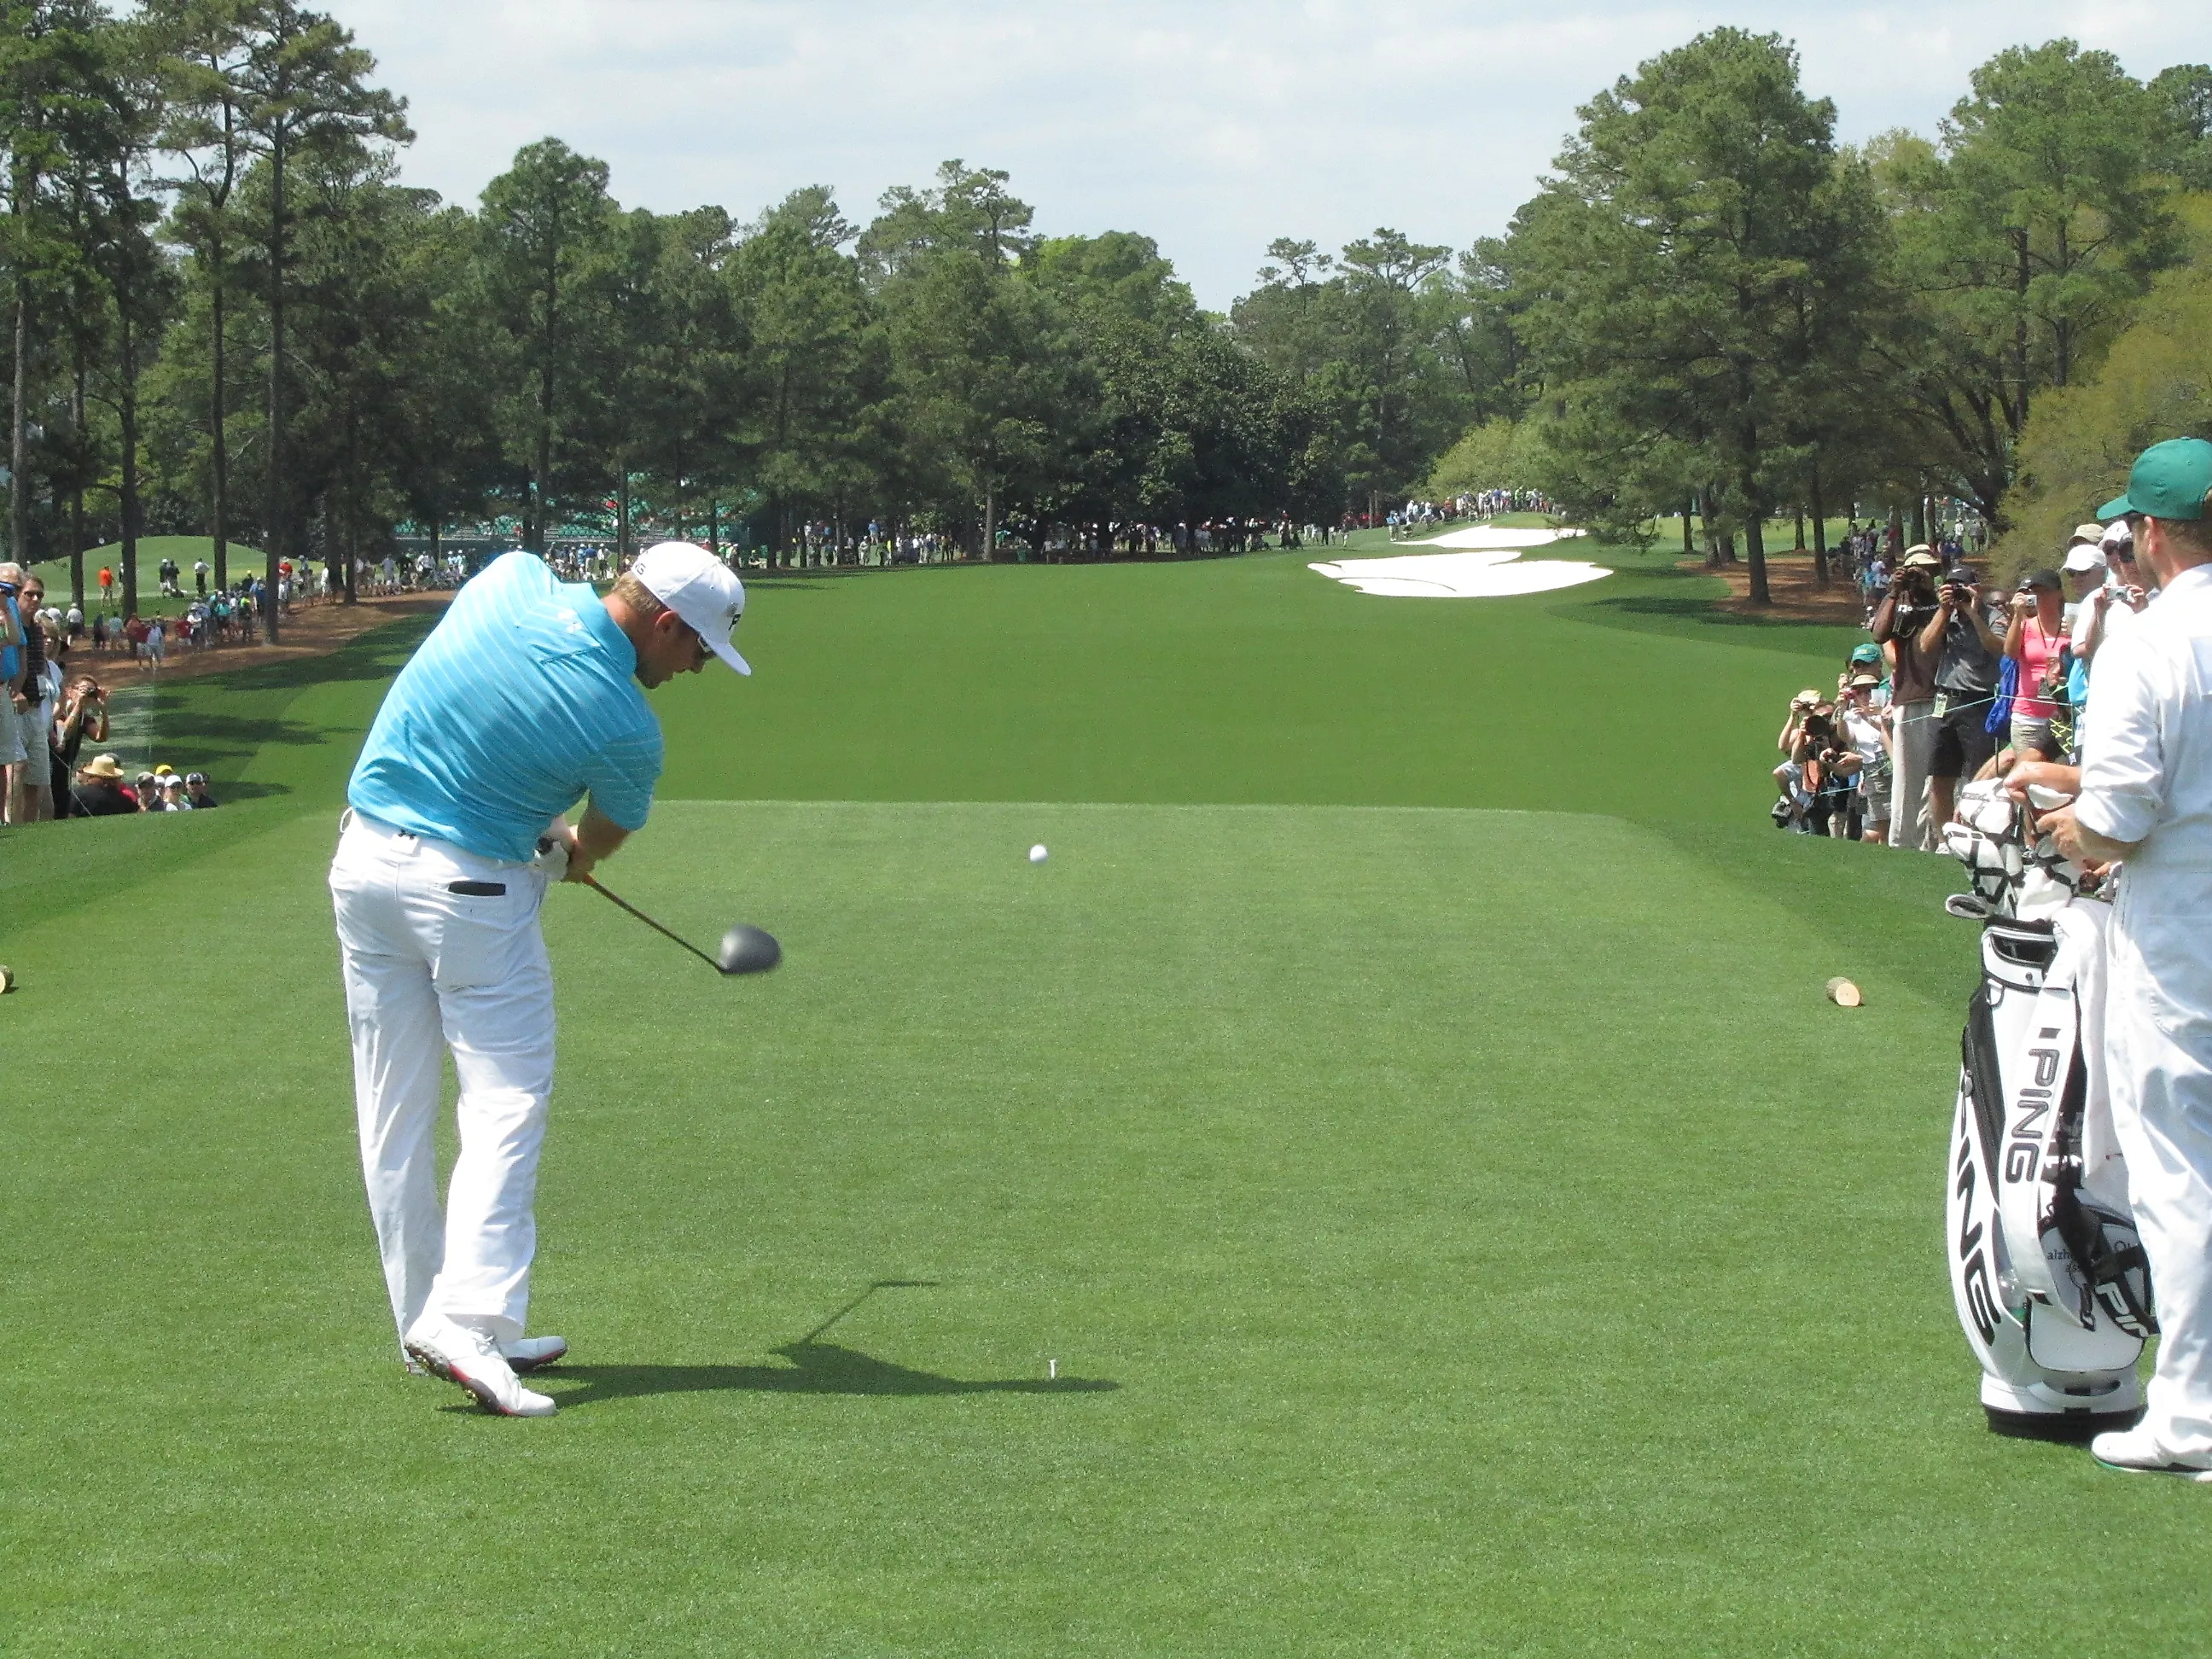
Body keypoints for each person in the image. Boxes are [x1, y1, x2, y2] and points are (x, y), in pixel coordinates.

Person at [329, 541, 750, 1417]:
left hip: (364, 864)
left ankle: (426, 1324)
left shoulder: (511, 578)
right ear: (665, 622)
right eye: (697, 648)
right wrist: (571, 853)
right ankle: (467, 1320)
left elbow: (481, 701)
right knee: (506, 1102)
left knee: (393, 1106)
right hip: (472, 899)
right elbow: (599, 838)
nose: (695, 667)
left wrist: (536, 814)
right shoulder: (629, 728)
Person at [2029, 439, 2212, 1479]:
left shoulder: (2154, 641)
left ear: (2147, 531)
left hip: (2186, 927)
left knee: (2182, 1173)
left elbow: (2125, 815)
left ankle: (2191, 1413)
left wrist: (2072, 831)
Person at [1919, 561, 2002, 834]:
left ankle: (1978, 834)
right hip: (1945, 700)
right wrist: (1944, 611)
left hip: (1978, 702)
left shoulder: (1993, 616)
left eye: (1962, 587)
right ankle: (1945, 840)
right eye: (1951, 587)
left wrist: (1973, 611)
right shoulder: (1945, 615)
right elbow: (1925, 647)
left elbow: (1998, 648)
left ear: (1975, 588)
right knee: (1940, 777)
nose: (1957, 593)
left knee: (1979, 777)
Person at [1871, 546, 1945, 850]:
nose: (1922, 575)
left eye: (1928, 569)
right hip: (1909, 695)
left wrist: (1933, 594)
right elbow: (1879, 634)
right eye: (1917, 569)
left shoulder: (1942, 600)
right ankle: (1902, 844)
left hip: (1942, 693)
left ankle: (1931, 843)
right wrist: (1894, 591)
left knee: (1937, 778)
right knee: (1906, 779)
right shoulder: (1899, 599)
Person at [2004, 568, 2069, 758]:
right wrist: (2017, 615)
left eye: (2045, 591)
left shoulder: (2070, 625)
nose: (2040, 597)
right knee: (2028, 777)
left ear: (2059, 594)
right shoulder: (2025, 625)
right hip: (2028, 717)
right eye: (2035, 593)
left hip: (2061, 716)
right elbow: (2010, 652)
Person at [67, 752, 136, 816]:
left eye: (90, 776)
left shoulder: (78, 794)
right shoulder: (125, 800)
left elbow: (69, 818)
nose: (88, 779)